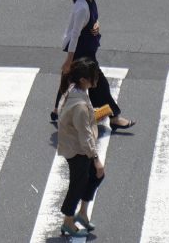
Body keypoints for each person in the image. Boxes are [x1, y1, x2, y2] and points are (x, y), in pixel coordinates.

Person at [53, 0, 135, 130]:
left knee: (71, 77)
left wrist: (96, 23)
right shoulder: (82, 7)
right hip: (81, 51)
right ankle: (114, 117)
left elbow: (93, 17)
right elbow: (75, 35)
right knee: (100, 83)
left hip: (87, 49)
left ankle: (57, 110)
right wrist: (69, 59)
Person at [57, 57, 104, 237]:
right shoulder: (80, 105)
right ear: (84, 80)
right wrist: (96, 159)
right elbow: (84, 136)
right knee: (79, 184)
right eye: (94, 75)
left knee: (92, 177)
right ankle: (68, 222)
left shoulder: (75, 89)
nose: (97, 77)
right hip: (77, 149)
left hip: (75, 145)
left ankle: (82, 214)